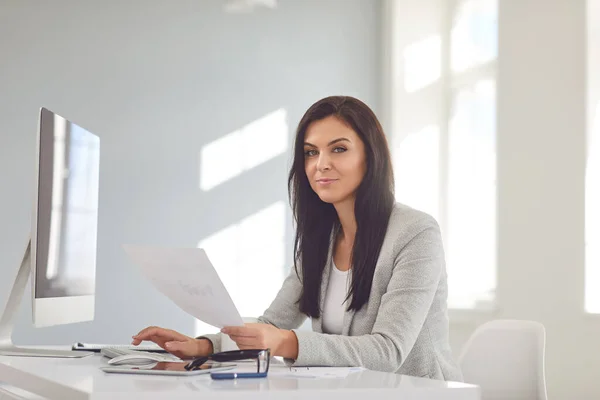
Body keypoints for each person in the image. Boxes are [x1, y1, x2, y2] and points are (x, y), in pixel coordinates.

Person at [132, 95, 463, 381]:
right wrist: (203, 346)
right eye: (310, 152)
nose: (321, 164)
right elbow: (272, 324)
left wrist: (284, 342)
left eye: (339, 149)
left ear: (370, 156)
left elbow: (388, 351)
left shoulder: (416, 232)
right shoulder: (321, 239)